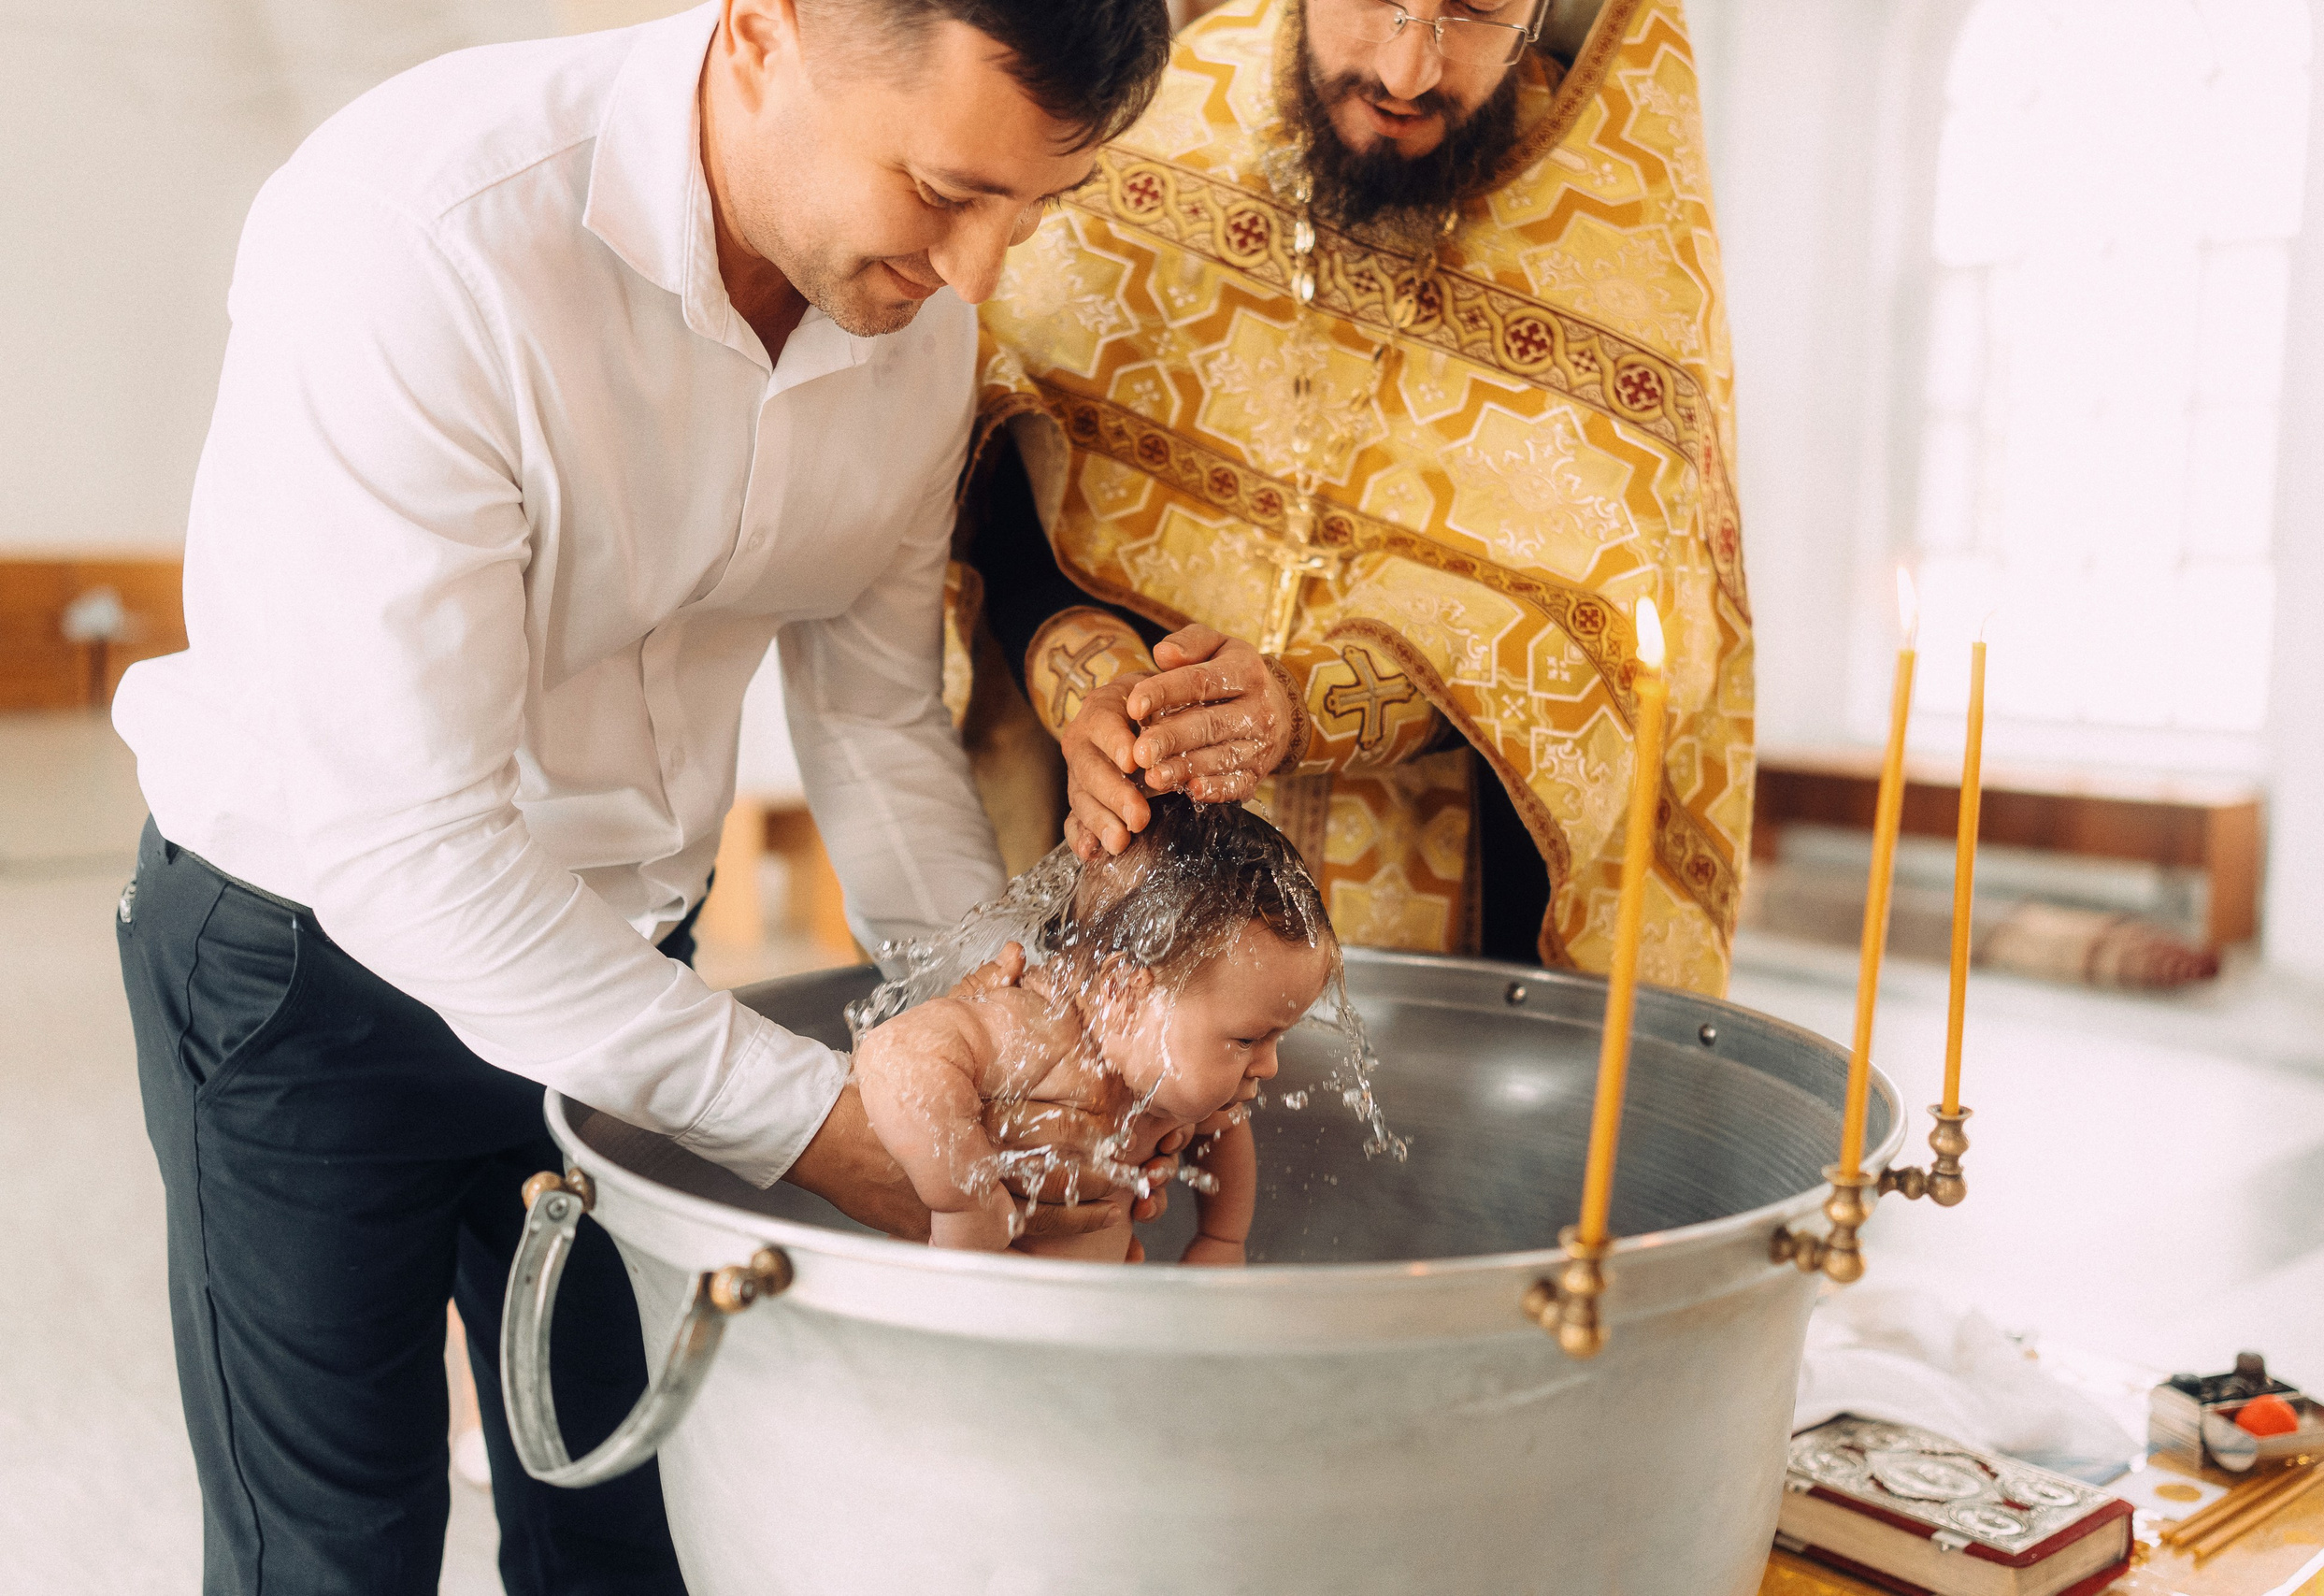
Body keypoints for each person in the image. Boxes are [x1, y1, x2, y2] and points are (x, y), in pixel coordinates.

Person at [109, 1, 1170, 1590]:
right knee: (334, 1553)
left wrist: (988, 1017)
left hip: (631, 963)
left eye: (1038, 208)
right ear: (765, 32)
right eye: (947, 192)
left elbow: (876, 725)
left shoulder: (915, 328)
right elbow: (409, 842)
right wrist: (822, 1121)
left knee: (631, 1518)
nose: (982, 278)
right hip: (306, 970)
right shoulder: (418, 239)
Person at [959, 0, 1752, 996]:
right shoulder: (1155, 122)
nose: (1409, 68)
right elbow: (998, 459)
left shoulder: (1624, 225)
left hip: (1448, 929)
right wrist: (1093, 686)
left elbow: (1610, 632)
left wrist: (1313, 707)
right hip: (1110, 873)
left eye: (1473, 12)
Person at [853, 794, 1335, 1261]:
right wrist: (965, 1197)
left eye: (1277, 1037)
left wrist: (1222, 1237)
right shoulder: (1035, 1027)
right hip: (949, 1311)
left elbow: (1224, 1130)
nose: (1270, 1066)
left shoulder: (1180, 1072)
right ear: (1123, 992)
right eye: (1249, 1039)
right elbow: (892, 1055)